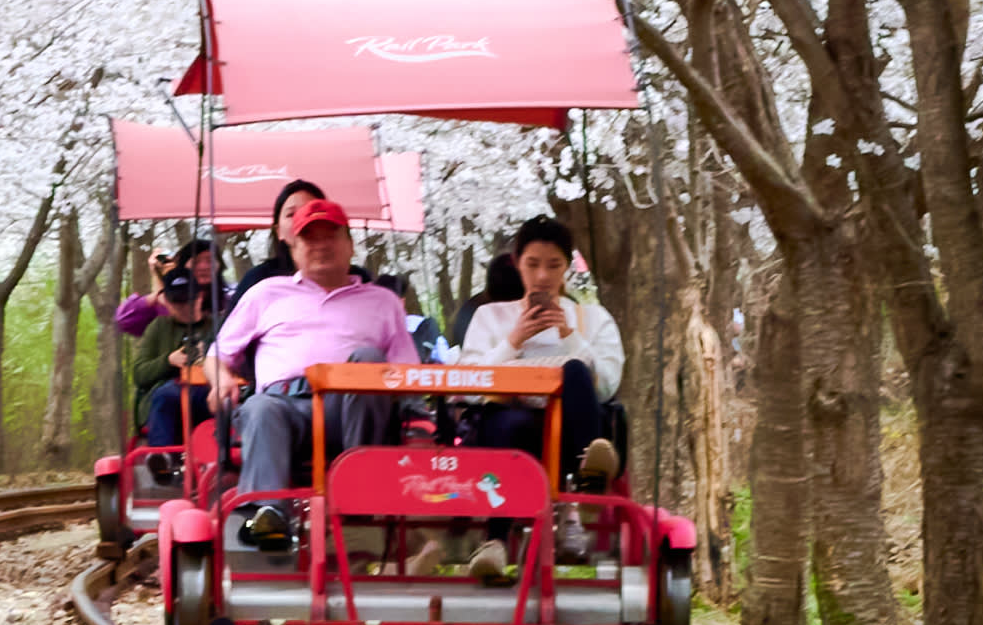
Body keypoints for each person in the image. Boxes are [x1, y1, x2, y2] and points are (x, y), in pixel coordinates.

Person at [204, 188, 425, 533]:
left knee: (368, 360)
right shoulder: (265, 293)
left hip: (352, 408)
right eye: (310, 238)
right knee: (261, 408)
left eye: (331, 236)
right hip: (284, 405)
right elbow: (218, 354)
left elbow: (408, 372)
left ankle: (359, 502)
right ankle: (266, 517)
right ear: (294, 249)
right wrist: (221, 379)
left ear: (350, 245)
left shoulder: (382, 301)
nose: (321, 245)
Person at [450, 212, 630, 491]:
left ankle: (590, 478)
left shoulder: (594, 318)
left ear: (567, 267)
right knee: (512, 425)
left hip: (574, 428)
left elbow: (606, 387)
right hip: (509, 426)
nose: (543, 276)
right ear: (517, 264)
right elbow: (470, 386)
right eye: (532, 264)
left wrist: (570, 337)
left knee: (575, 369)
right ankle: (502, 525)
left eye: (554, 265)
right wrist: (514, 341)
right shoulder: (490, 316)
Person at [105, 240, 222, 456]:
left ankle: (225, 460)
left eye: (187, 300)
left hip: (209, 390)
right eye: (176, 302)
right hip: (170, 395)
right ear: (166, 301)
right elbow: (139, 373)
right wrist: (169, 361)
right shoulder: (159, 326)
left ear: (199, 297)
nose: (183, 307)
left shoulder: (218, 325)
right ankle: (162, 461)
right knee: (165, 395)